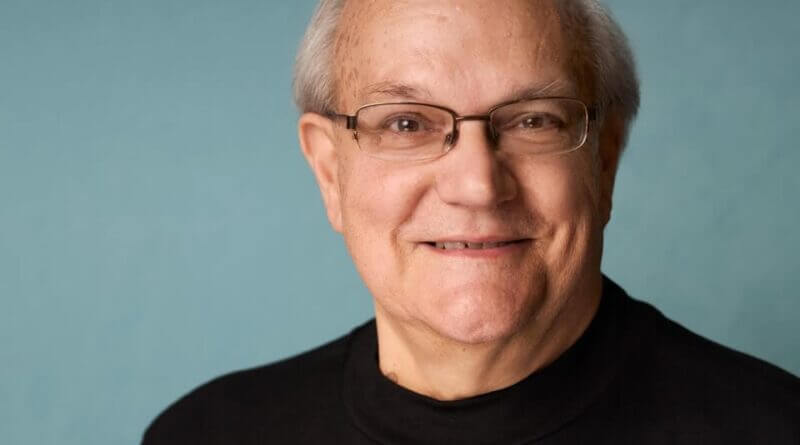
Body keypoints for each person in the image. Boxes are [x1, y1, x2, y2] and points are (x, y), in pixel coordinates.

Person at [142, 0, 799, 443]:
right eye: (407, 124)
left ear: (603, 162)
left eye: (534, 120)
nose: (478, 185)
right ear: (330, 171)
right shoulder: (206, 434)